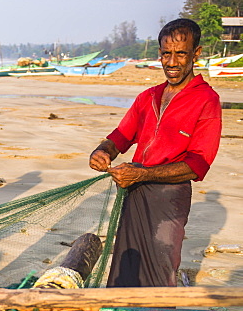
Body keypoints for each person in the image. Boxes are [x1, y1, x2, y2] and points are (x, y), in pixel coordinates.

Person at [89, 18, 221, 287]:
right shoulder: (148, 97)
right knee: (126, 264)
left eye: (180, 54)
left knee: (161, 265)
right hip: (133, 192)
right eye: (165, 54)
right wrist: (103, 151)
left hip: (169, 198)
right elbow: (121, 137)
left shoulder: (207, 100)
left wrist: (143, 173)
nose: (171, 63)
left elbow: (197, 164)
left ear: (196, 53)